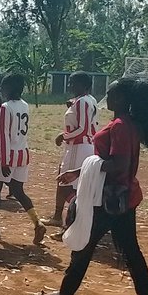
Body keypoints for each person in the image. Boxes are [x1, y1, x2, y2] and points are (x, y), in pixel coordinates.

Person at [38, 78, 148, 295]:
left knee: (84, 245)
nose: (108, 95)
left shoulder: (120, 126)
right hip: (123, 197)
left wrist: (86, 167)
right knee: (130, 251)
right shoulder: (126, 124)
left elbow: (118, 164)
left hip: (108, 199)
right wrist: (78, 172)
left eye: (113, 93)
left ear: (123, 99)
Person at [0, 73, 46, 245]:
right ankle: (37, 222)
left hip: (8, 155)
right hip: (22, 152)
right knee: (18, 191)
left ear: (8, 88)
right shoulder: (25, 105)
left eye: (3, 86)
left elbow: (3, 135)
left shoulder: (5, 107)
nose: (1, 89)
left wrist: (4, 160)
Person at [47, 72, 98, 228]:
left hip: (78, 146)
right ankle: (59, 216)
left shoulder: (82, 102)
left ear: (84, 85)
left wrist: (63, 135)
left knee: (66, 182)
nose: (70, 86)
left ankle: (76, 218)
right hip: (83, 146)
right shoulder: (90, 100)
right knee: (66, 180)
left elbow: (82, 128)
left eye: (73, 83)